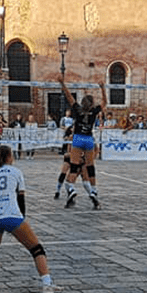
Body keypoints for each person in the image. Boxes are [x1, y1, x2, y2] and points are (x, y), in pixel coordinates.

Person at [0, 145, 62, 293]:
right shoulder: (16, 172)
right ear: (8, 158)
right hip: (11, 215)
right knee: (36, 249)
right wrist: (22, 218)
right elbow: (21, 197)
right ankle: (47, 284)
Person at [59, 76, 107, 209]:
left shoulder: (77, 109)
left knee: (74, 166)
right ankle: (93, 191)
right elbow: (105, 103)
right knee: (90, 166)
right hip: (88, 139)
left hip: (78, 138)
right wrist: (103, 88)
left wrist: (62, 83)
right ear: (91, 104)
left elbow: (69, 96)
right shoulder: (94, 111)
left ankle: (71, 189)